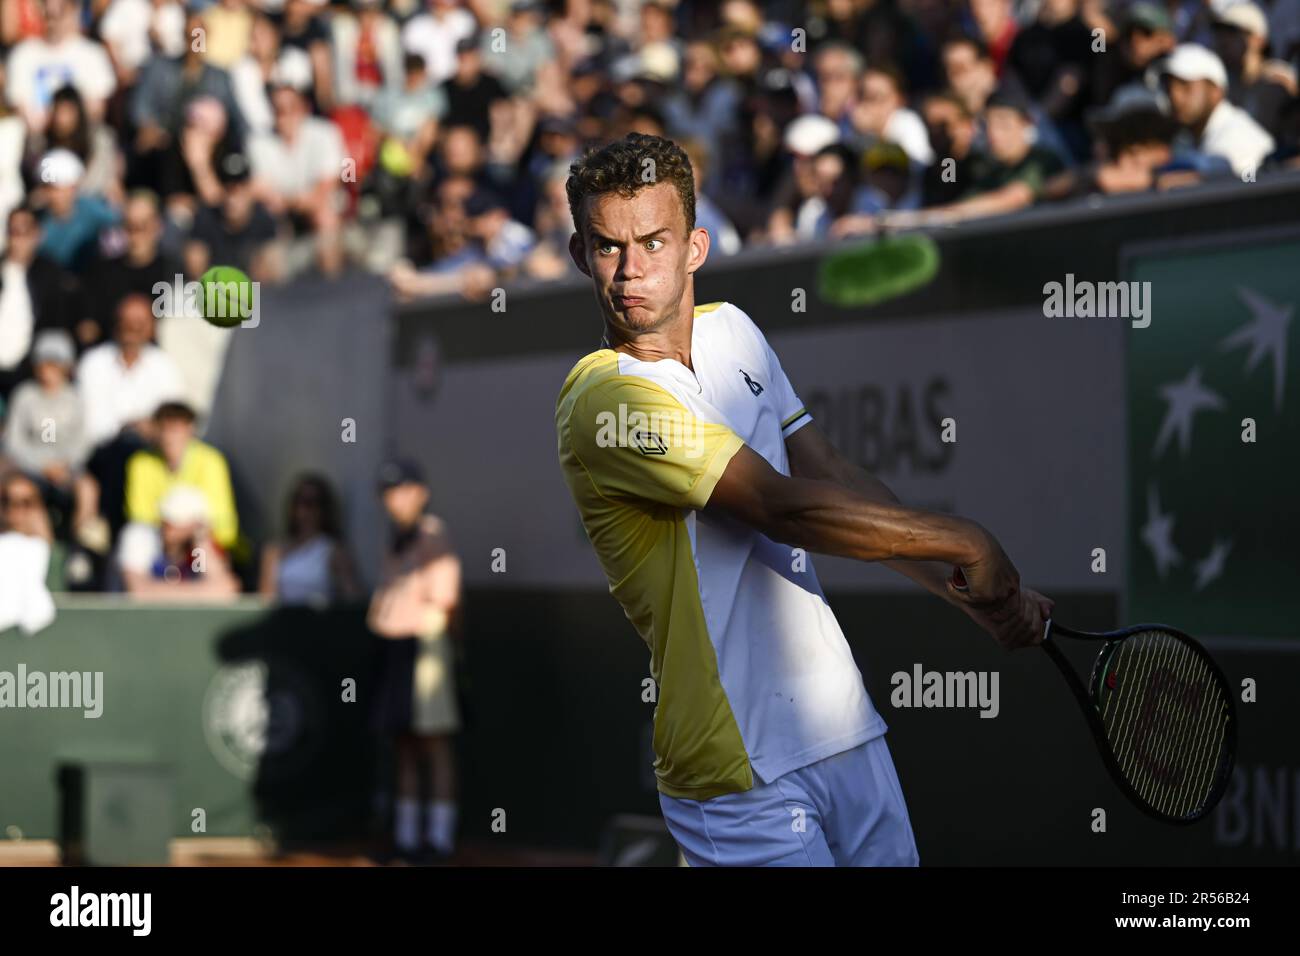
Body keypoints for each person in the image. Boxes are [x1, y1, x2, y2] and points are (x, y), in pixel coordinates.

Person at [556, 133, 1052, 867]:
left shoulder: (737, 333)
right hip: (735, 773)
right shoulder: (604, 399)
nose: (630, 271)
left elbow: (834, 477)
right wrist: (968, 543)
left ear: (695, 246)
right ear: (579, 255)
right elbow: (782, 507)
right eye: (606, 247)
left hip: (843, 726)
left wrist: (962, 595)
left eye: (652, 242)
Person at [367, 458, 463, 862]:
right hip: (395, 651)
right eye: (389, 492)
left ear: (420, 493)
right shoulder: (397, 539)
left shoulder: (432, 536)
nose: (395, 499)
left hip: (425, 651)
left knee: (433, 743)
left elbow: (445, 600)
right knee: (404, 744)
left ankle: (438, 840)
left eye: (403, 489)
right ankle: (407, 838)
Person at [1, 328, 106, 550]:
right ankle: (45, 553)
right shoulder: (25, 395)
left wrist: (65, 464)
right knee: (25, 495)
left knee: (88, 489)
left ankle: (80, 550)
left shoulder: (75, 397)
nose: (48, 370)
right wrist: (42, 465)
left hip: (67, 469)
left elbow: (83, 439)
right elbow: (14, 442)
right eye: (44, 363)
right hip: (29, 469)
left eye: (54, 364)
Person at [124, 400, 238, 552]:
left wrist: (183, 532)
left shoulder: (211, 461)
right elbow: (139, 517)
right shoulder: (141, 463)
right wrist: (170, 531)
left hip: (200, 545)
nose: (169, 437)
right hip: (159, 545)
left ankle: (199, 574)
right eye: (164, 429)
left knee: (201, 547)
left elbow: (224, 526)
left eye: (175, 429)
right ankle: (140, 576)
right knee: (135, 538)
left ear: (190, 430)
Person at [1162, 43, 1275, 177]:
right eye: (1169, 88)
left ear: (1216, 91)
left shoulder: (1238, 136)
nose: (1174, 96)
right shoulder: (1185, 137)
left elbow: (1243, 186)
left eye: (1185, 85)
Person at [117, 483, 240, 600]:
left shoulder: (198, 551)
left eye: (176, 521)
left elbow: (226, 590)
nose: (168, 526)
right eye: (166, 519)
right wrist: (203, 592)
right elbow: (138, 591)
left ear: (196, 525)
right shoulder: (140, 535)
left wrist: (201, 540)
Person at [259, 472, 359, 605]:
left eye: (313, 502)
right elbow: (266, 598)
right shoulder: (274, 550)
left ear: (324, 508)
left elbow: (354, 596)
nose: (305, 509)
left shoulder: (333, 551)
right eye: (300, 500)